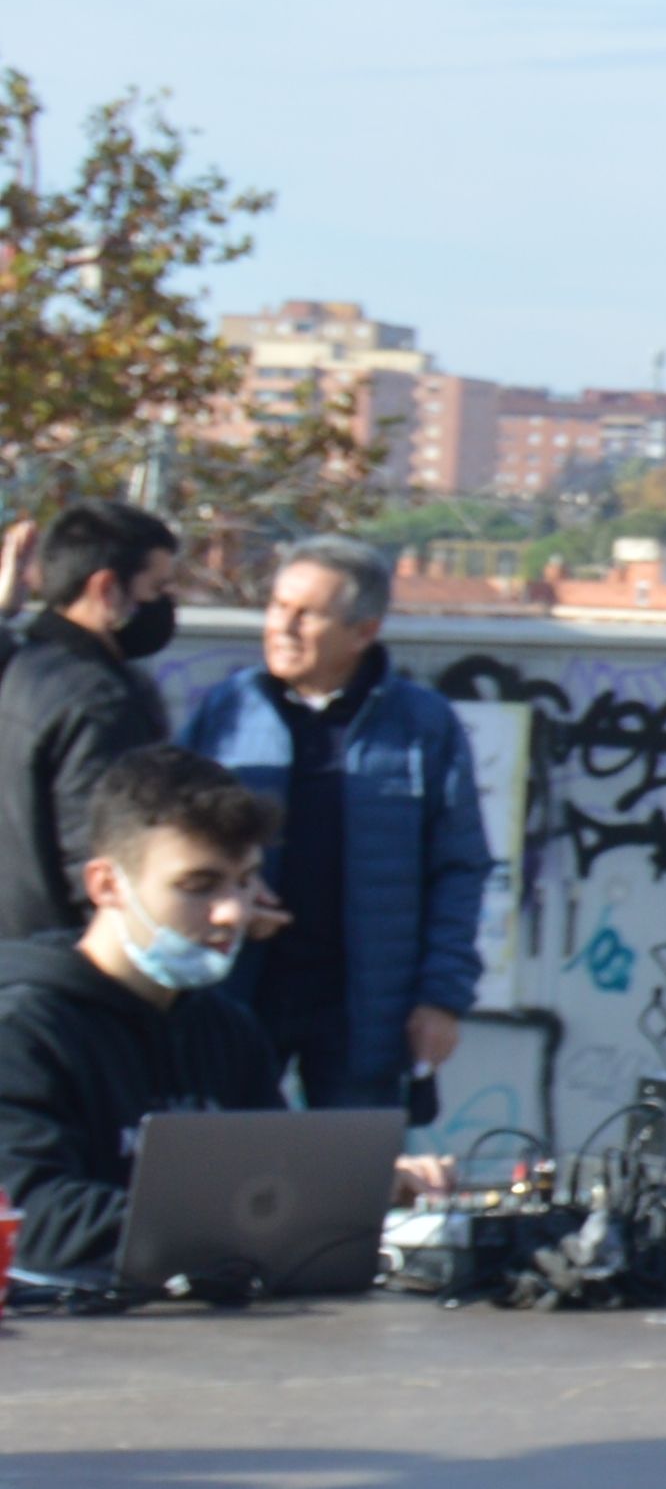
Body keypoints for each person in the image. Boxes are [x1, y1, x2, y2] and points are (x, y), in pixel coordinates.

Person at [177, 536, 488, 1119]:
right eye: (276, 606)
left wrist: (441, 999)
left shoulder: (422, 725)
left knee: (351, 1188)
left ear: (363, 631)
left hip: (365, 1008)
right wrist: (235, 894)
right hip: (240, 990)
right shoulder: (228, 710)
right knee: (222, 1174)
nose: (283, 627)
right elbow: (171, 839)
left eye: (307, 614)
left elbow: (461, 868)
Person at [0, 748, 290, 1298]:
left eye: (245, 881)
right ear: (107, 885)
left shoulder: (229, 1030)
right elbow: (30, 1218)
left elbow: (274, 1186)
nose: (233, 911)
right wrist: (226, 1225)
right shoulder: (22, 1031)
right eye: (199, 886)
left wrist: (366, 1193)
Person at [2, 504, 184, 947]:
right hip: (63, 965)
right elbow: (102, 856)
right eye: (156, 588)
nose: (164, 604)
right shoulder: (100, 703)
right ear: (106, 588)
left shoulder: (17, 669)